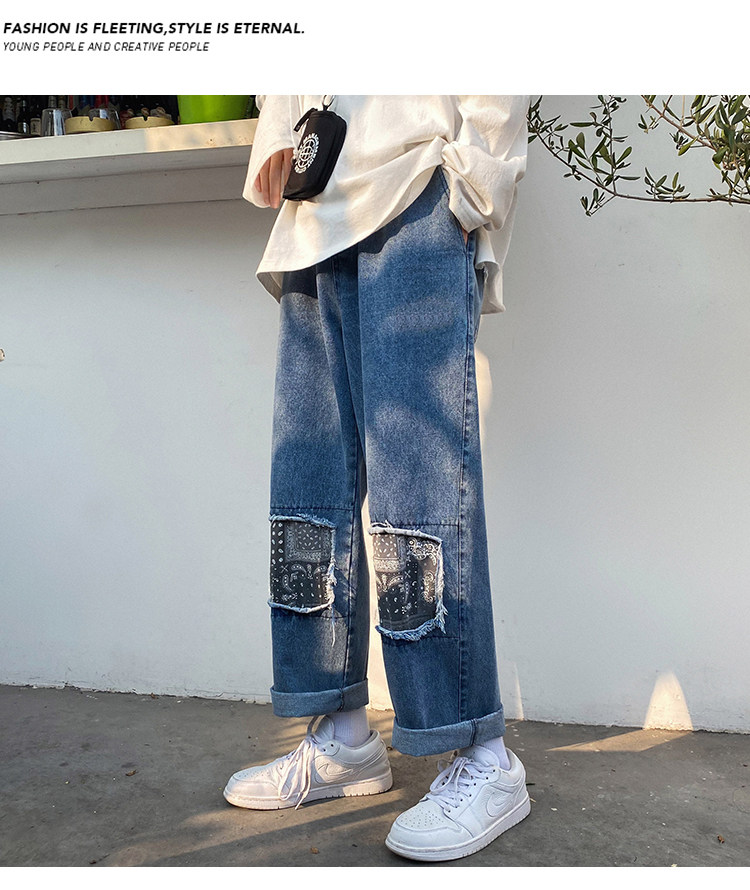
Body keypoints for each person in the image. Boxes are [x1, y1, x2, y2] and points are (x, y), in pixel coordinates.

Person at [224, 95, 531, 862]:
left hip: (416, 182)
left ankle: (483, 756)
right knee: (307, 494)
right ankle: (343, 737)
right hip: (316, 204)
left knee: (418, 487)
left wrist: (476, 178)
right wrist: (283, 133)